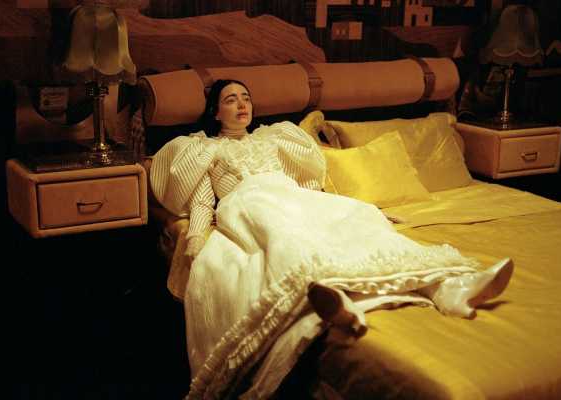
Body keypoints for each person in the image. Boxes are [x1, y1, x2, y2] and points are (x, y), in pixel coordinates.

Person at [149, 79, 514, 399]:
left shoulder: (273, 139)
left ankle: (450, 289)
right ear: (215, 112)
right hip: (249, 203)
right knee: (286, 236)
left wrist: (336, 209)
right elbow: (201, 203)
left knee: (361, 216)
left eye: (246, 98)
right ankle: (338, 298)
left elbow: (307, 184)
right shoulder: (206, 151)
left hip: (289, 196)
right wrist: (194, 240)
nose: (242, 104)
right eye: (231, 100)